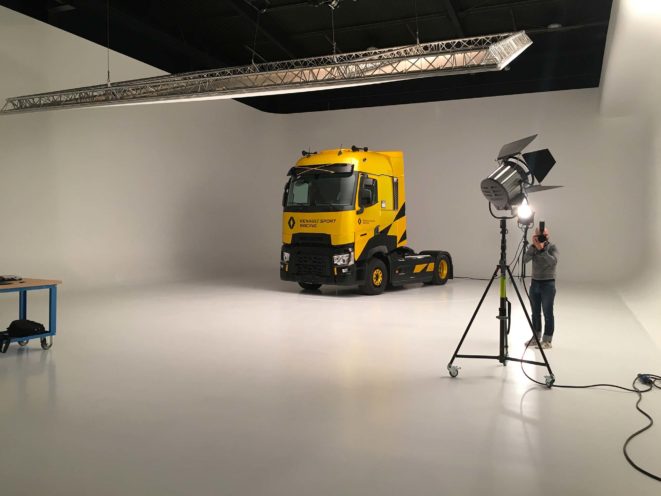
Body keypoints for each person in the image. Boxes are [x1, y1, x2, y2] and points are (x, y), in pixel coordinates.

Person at [523, 225, 558, 349]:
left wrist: (542, 250)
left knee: (548, 312)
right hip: (535, 283)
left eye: (545, 235)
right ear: (535, 236)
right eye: (540, 236)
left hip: (548, 283)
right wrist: (533, 247)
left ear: (548, 235)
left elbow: (553, 262)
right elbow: (524, 260)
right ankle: (536, 337)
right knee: (535, 313)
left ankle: (547, 340)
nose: (543, 237)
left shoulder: (552, 247)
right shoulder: (533, 248)